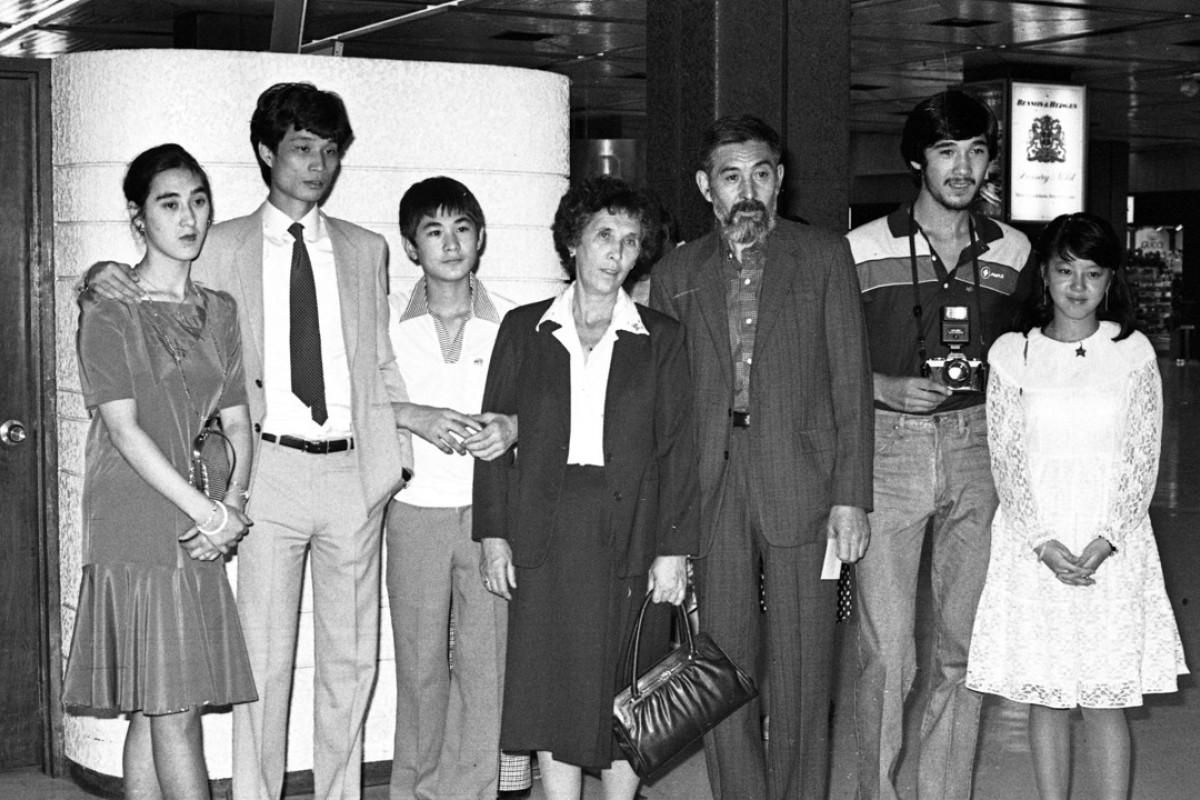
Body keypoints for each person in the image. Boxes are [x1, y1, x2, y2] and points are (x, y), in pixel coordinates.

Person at [82, 83, 413, 800]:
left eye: (331, 151)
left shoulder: (366, 248)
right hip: (270, 473)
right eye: (301, 148)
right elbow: (143, 289)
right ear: (267, 153)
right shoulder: (223, 242)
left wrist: (396, 458)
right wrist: (91, 277)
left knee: (352, 664)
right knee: (260, 664)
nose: (317, 165)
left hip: (354, 471)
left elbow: (379, 360)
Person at [650, 115, 874, 800]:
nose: (747, 189)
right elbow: (666, 405)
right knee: (722, 664)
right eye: (730, 175)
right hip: (711, 482)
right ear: (705, 187)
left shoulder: (824, 255)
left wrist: (851, 495)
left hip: (802, 479)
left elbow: (850, 380)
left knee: (806, 666)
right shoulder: (675, 272)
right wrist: (670, 523)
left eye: (761, 173)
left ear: (779, 180)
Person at [473, 175, 699, 800]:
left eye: (630, 242)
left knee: (630, 683)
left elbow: (680, 451)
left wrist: (675, 547)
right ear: (574, 241)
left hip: (633, 527)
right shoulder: (524, 329)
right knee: (553, 686)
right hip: (545, 526)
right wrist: (494, 534)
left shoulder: (663, 338)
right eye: (604, 236)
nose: (615, 253)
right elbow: (493, 440)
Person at [844, 89, 1034, 800]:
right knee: (889, 654)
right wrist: (882, 387)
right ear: (917, 159)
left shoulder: (1014, 252)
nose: (963, 167)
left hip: (977, 447)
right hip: (890, 450)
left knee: (963, 650)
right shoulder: (862, 248)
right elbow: (825, 364)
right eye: (948, 151)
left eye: (977, 151)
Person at [966, 212, 1187, 800]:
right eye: (1066, 271)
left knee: (1102, 695)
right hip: (1034, 538)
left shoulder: (1132, 351)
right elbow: (1006, 458)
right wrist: (1041, 541)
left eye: (1093, 273)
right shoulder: (1015, 354)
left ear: (1111, 280)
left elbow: (1144, 454)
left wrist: (1106, 539)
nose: (1078, 286)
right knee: (1047, 693)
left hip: (1111, 541)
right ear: (1044, 275)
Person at [62, 143, 256, 800]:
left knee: (156, 703)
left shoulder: (221, 308)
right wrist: (210, 514)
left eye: (199, 200)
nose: (189, 216)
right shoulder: (109, 303)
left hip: (201, 509)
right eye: (169, 203)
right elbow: (122, 427)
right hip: (135, 513)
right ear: (138, 217)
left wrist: (233, 504)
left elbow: (237, 420)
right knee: (176, 712)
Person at [385, 176, 524, 800]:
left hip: (491, 515)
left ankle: (472, 791)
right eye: (433, 231)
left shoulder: (516, 325)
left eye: (462, 228)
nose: (450, 243)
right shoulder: (385, 321)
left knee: (483, 666)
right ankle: (415, 789)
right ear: (412, 246)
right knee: (419, 668)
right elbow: (354, 402)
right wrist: (414, 415)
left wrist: (512, 429)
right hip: (413, 512)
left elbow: (546, 412)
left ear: (481, 239)